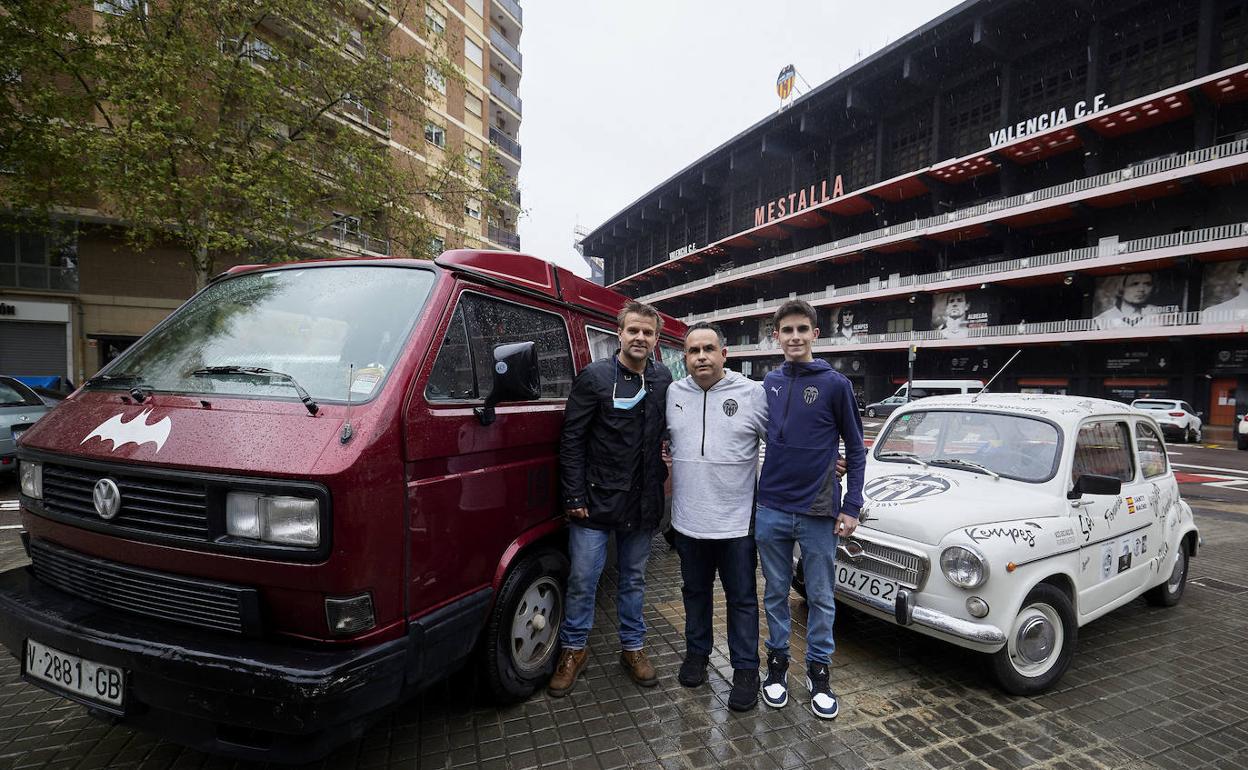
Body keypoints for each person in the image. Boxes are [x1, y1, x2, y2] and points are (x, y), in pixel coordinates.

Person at [547, 301, 673, 697]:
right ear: (618, 334)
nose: (640, 338)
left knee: (633, 579)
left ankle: (632, 649)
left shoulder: (664, 378)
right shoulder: (595, 377)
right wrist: (573, 494)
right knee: (584, 580)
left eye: (648, 333)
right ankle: (574, 651)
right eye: (633, 330)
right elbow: (572, 440)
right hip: (594, 503)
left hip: (643, 501)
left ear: (656, 340)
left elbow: (669, 431)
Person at [755, 299, 866, 719]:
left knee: (821, 596)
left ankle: (819, 673)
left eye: (803, 329)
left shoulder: (836, 384)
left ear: (815, 334)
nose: (795, 337)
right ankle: (777, 668)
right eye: (787, 330)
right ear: (776, 336)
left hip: (819, 510)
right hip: (772, 507)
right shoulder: (769, 383)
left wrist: (852, 505)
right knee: (775, 594)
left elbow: (856, 450)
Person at [664, 322, 767, 711]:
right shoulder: (674, 392)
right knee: (694, 593)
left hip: (737, 524)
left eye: (709, 349)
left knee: (741, 598)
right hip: (688, 520)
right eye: (693, 351)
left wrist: (829, 466)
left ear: (725, 353)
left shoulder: (752, 393)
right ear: (685, 357)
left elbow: (780, 442)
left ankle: (745, 670)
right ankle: (697, 655)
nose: (701, 357)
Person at [1094, 272, 1164, 328]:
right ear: (1121, 287)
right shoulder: (1102, 320)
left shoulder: (1159, 314)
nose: (1141, 289)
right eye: (1134, 284)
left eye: (1147, 284)